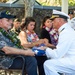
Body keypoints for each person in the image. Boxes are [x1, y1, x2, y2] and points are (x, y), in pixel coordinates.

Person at [0, 10, 38, 75]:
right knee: (30, 60)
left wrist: (29, 50)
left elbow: (18, 46)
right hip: (6, 61)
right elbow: (6, 50)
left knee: (39, 58)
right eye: (8, 20)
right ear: (0, 21)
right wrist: (25, 52)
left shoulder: (10, 33)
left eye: (11, 20)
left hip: (15, 57)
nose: (11, 22)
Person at [40, 10, 75, 75]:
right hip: (71, 60)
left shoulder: (66, 33)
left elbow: (57, 55)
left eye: (53, 20)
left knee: (48, 64)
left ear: (60, 20)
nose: (52, 22)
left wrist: (46, 49)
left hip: (72, 62)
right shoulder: (67, 30)